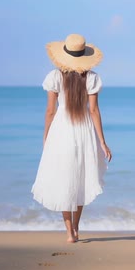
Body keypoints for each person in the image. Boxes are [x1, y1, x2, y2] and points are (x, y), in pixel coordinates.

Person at [31, 33, 112, 243]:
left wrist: (46, 137)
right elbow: (94, 111)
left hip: (62, 130)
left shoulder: (55, 77)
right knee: (81, 178)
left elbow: (50, 111)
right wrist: (102, 142)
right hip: (84, 130)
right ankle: (77, 227)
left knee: (64, 178)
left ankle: (69, 233)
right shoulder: (92, 78)